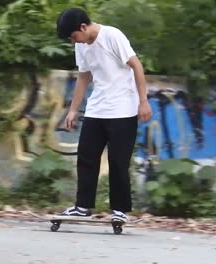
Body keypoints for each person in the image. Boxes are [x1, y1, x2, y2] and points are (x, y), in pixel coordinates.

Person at [55, 7, 152, 222]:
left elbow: (136, 66)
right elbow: (83, 77)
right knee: (86, 158)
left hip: (123, 110)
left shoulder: (112, 36)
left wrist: (143, 101)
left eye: (74, 37)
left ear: (83, 27)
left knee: (118, 162)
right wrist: (72, 109)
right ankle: (82, 207)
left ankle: (119, 210)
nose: (74, 42)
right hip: (96, 109)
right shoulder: (81, 45)